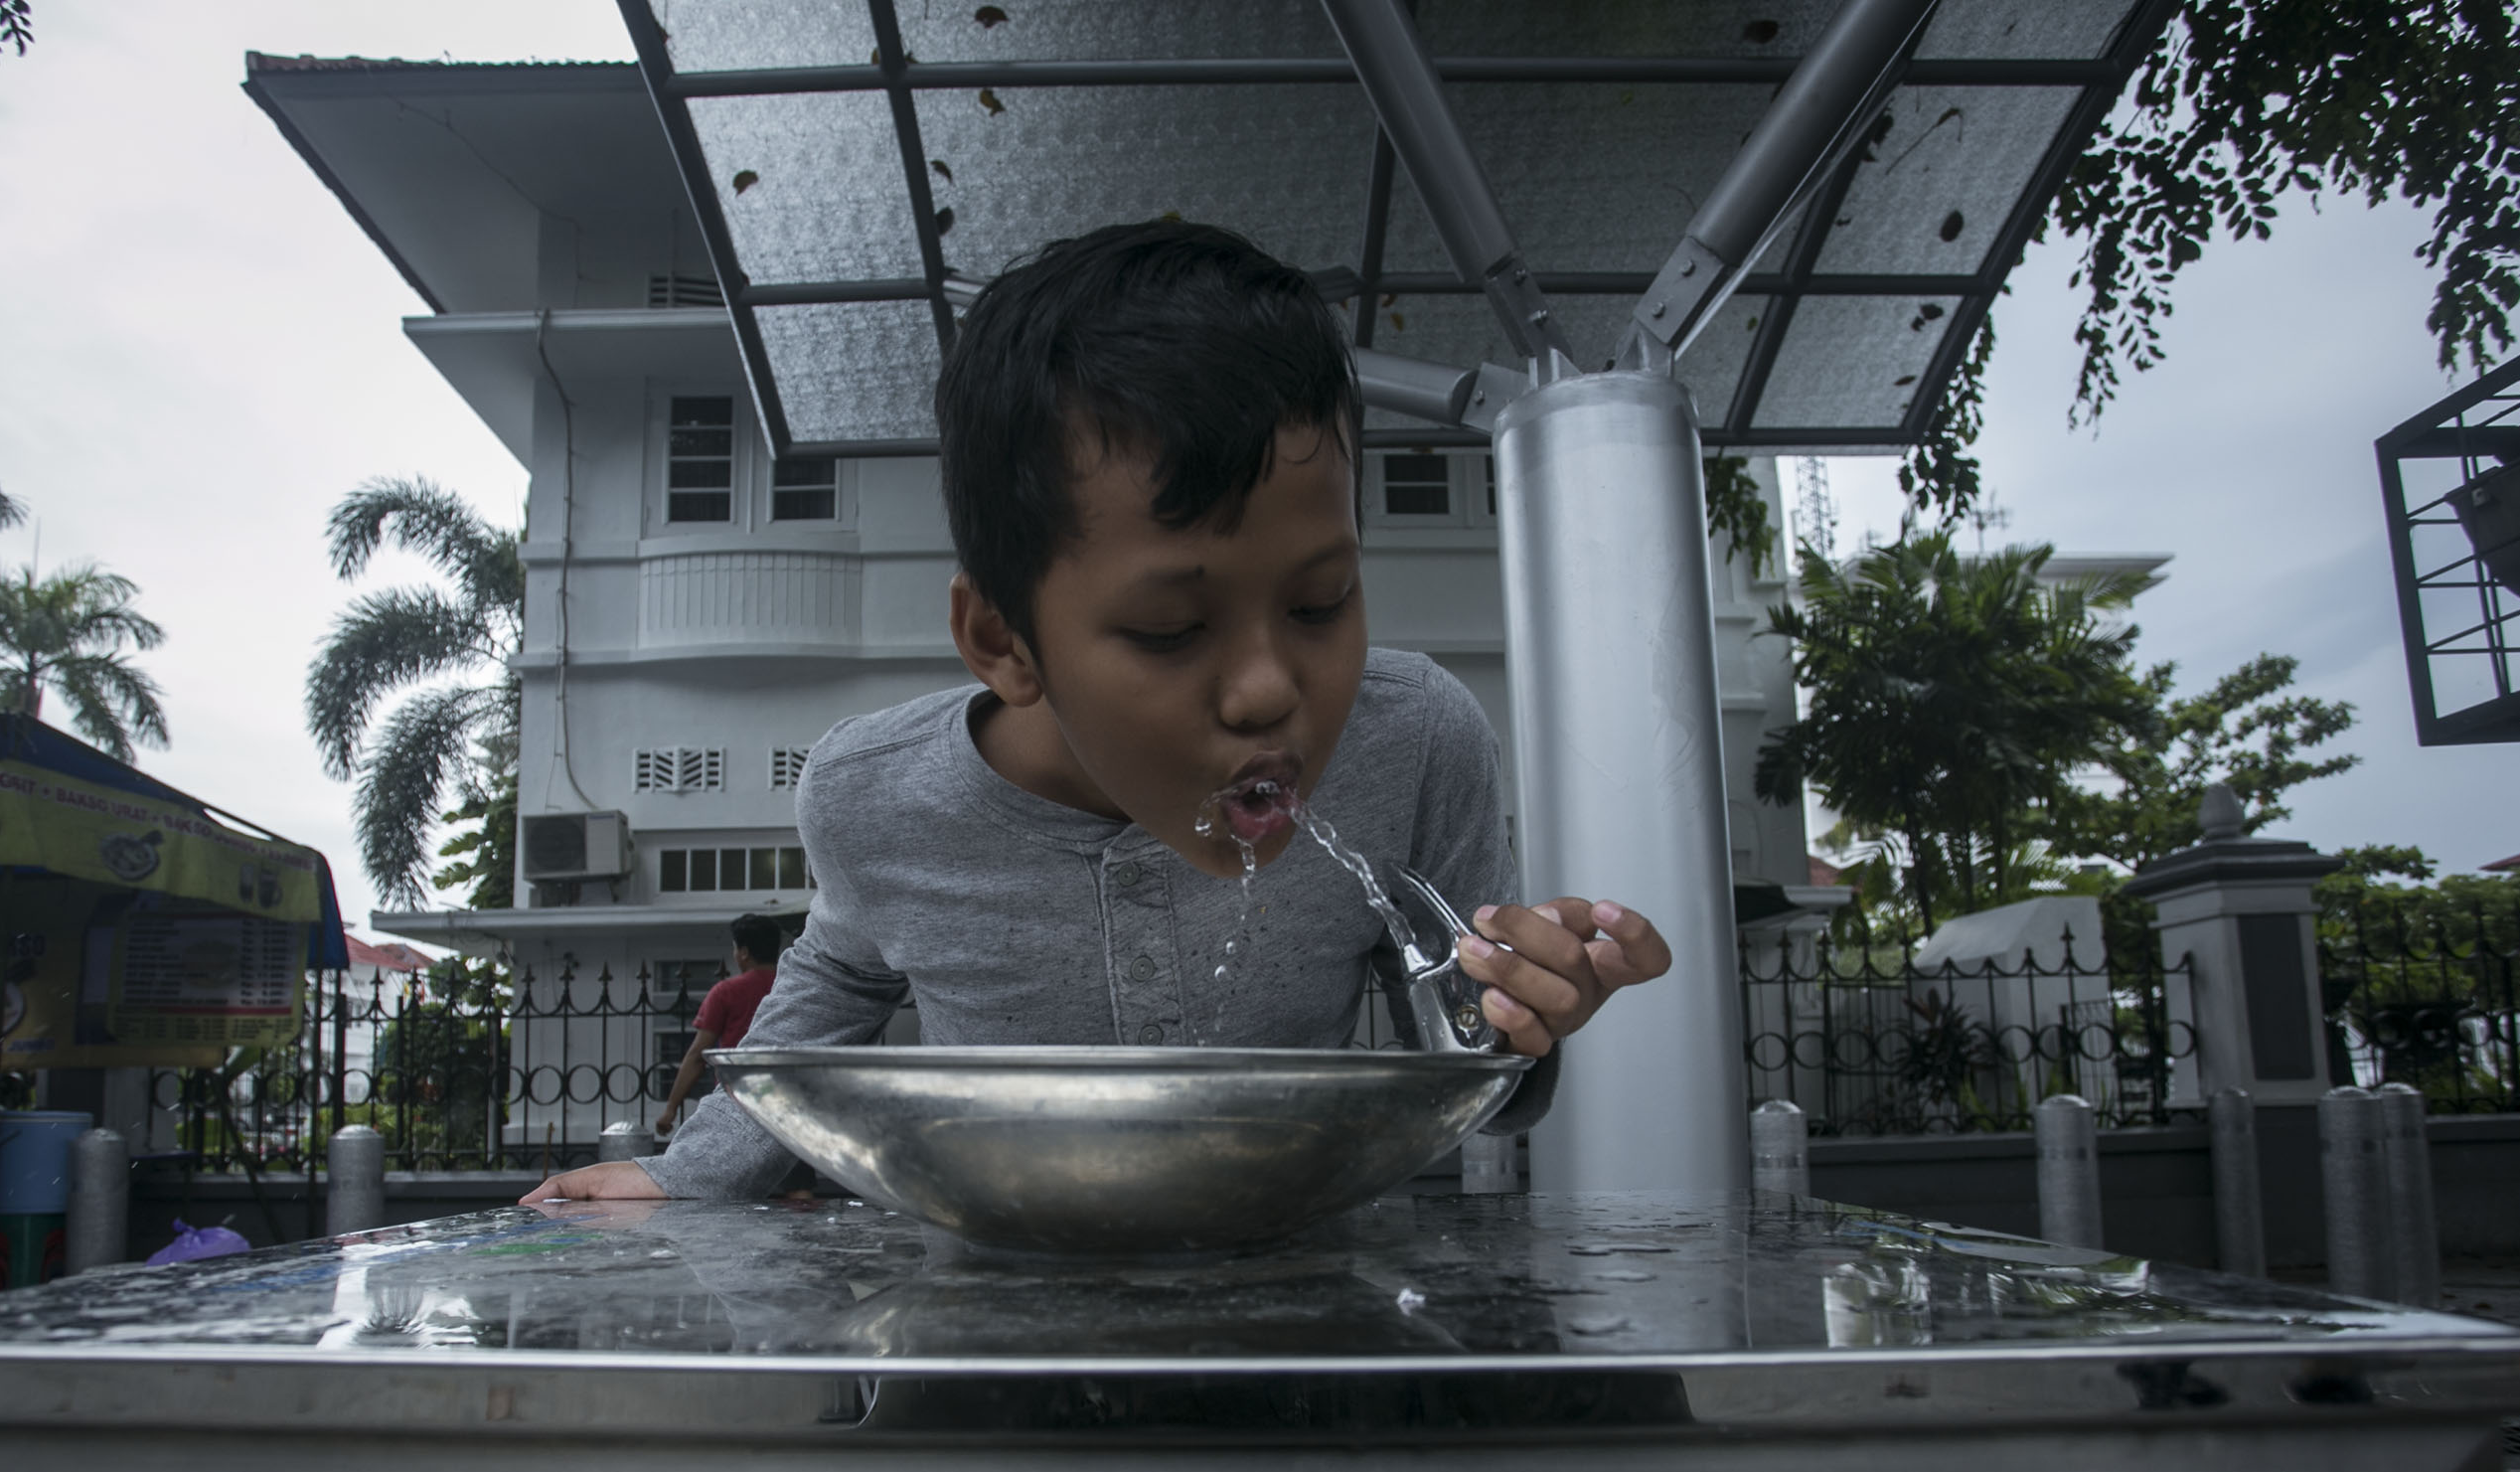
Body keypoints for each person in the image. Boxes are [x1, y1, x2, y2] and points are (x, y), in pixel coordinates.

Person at [523, 220, 1668, 1207]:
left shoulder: (1415, 737)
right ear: (1003, 641)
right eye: (1172, 630)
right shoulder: (872, 794)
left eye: (1322, 600)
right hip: (982, 1313)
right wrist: (688, 1176)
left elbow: (1467, 1046)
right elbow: (839, 982)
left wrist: (1518, 1010)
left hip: (1314, 1308)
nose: (1271, 686)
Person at [652, 912, 783, 1136]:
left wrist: (671, 1109)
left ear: (744, 952)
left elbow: (697, 1056)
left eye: (735, 948)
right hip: (787, 1102)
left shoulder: (726, 992)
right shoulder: (789, 988)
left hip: (738, 1100)